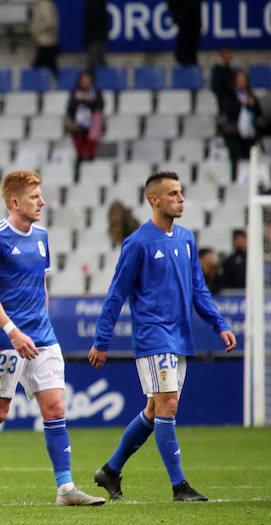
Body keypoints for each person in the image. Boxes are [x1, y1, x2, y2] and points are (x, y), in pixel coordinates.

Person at [0, 170, 105, 508]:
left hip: (43, 339)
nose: (43, 202)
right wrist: (13, 331)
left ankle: (65, 489)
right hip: (7, 341)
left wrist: (40, 325)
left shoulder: (42, 236)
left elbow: (41, 286)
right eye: (35, 197)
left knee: (55, 407)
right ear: (15, 202)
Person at [89, 171, 236, 502]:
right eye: (172, 194)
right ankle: (179, 486)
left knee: (155, 411)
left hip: (180, 336)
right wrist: (101, 340)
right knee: (167, 406)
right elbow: (116, 294)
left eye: (181, 193)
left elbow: (198, 288)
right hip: (154, 336)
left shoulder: (186, 239)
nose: (180, 199)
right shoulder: (138, 243)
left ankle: (110, 471)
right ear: (153, 200)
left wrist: (219, 323)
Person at [217, 70, 262, 181]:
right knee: (235, 158)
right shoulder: (229, 96)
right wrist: (240, 104)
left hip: (250, 134)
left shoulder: (251, 96)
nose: (241, 82)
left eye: (243, 80)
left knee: (251, 157)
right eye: (239, 80)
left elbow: (259, 113)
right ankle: (234, 180)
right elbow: (226, 110)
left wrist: (252, 104)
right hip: (234, 134)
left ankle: (251, 180)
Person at [66, 70, 104, 163]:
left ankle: (91, 159)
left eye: (87, 79)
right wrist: (80, 100)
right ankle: (80, 160)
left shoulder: (95, 92)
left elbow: (100, 106)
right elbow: (70, 107)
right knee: (79, 142)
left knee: (90, 144)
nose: (85, 81)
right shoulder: (75, 91)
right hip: (78, 124)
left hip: (92, 124)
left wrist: (87, 101)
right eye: (83, 79)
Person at [167, 0, 202, 66]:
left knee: (193, 32)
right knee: (185, 34)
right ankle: (183, 59)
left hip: (193, 13)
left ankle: (191, 59)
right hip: (182, 13)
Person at [30, 0, 59, 78]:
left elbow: (49, 22)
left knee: (38, 67)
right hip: (48, 41)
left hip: (46, 41)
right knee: (50, 65)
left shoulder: (44, 4)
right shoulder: (48, 4)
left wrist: (36, 29)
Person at [82, 0, 108, 74]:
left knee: (95, 63)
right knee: (97, 61)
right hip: (95, 37)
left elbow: (97, 19)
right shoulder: (92, 2)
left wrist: (91, 35)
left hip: (96, 38)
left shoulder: (96, 2)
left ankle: (98, 82)